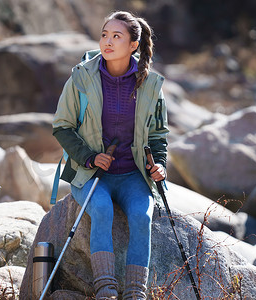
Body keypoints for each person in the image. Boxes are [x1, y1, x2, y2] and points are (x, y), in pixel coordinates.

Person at [52, 10, 168, 300]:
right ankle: (106, 290)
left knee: (142, 216)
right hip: (91, 173)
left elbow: (157, 136)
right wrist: (90, 157)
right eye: (104, 34)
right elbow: (62, 127)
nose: (107, 41)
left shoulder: (150, 85)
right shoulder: (81, 78)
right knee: (101, 209)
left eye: (117, 36)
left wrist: (160, 166)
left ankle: (135, 294)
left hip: (133, 175)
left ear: (133, 45)